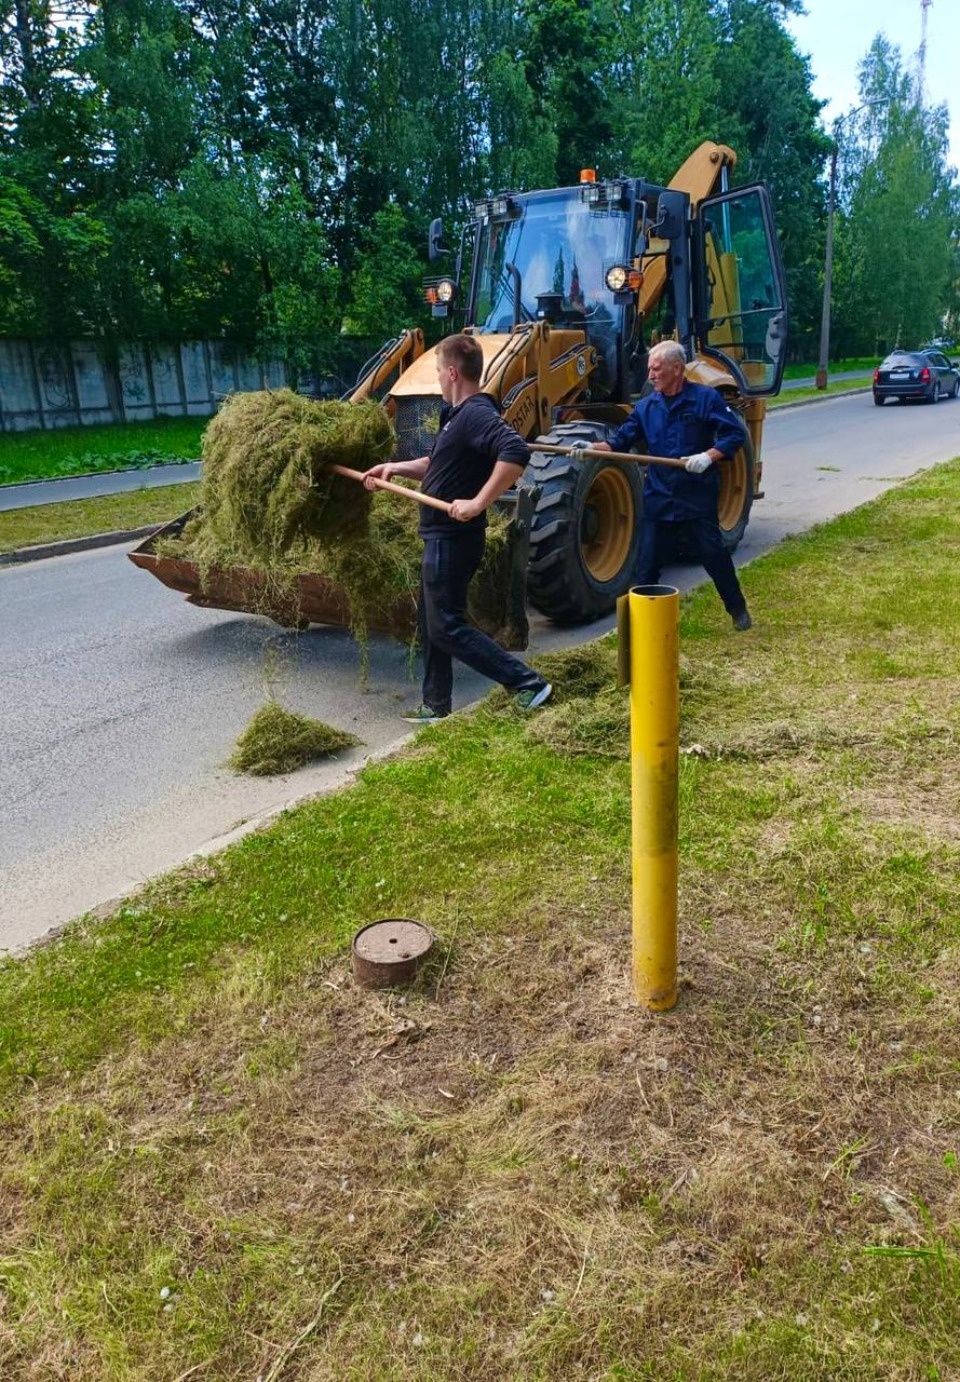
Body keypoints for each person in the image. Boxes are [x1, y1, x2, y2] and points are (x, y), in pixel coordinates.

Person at [363, 333, 552, 723]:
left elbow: (516, 451)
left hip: (453, 538)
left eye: (436, 370)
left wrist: (478, 502)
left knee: (447, 626)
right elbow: (437, 465)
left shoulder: (475, 413)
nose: (436, 377)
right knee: (432, 622)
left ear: (451, 372)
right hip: (440, 536)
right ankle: (435, 705)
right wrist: (395, 468)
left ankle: (527, 683)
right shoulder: (455, 418)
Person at [582, 339, 752, 630]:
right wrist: (588, 447)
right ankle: (640, 629)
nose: (649, 375)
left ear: (676, 368)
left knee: (714, 556)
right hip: (659, 500)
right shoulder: (647, 407)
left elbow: (733, 435)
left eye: (656, 369)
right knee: (646, 567)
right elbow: (619, 442)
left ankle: (738, 610)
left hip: (696, 499)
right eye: (649, 369)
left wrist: (708, 457)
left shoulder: (705, 399)